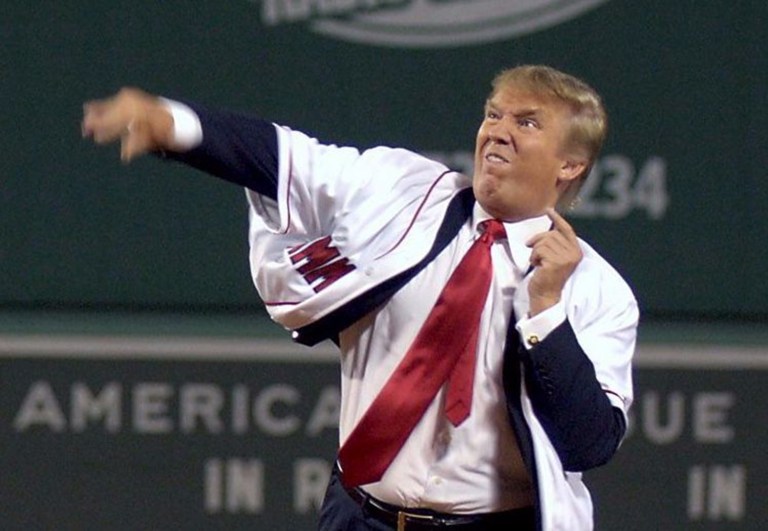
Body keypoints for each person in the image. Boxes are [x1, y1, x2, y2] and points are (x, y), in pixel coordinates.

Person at [82, 65, 638, 531]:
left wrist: (547, 312)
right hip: (360, 514)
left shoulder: (597, 290)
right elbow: (289, 160)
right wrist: (176, 126)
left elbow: (588, 443)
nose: (498, 130)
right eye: (493, 113)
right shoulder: (404, 191)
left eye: (527, 122)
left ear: (570, 164)